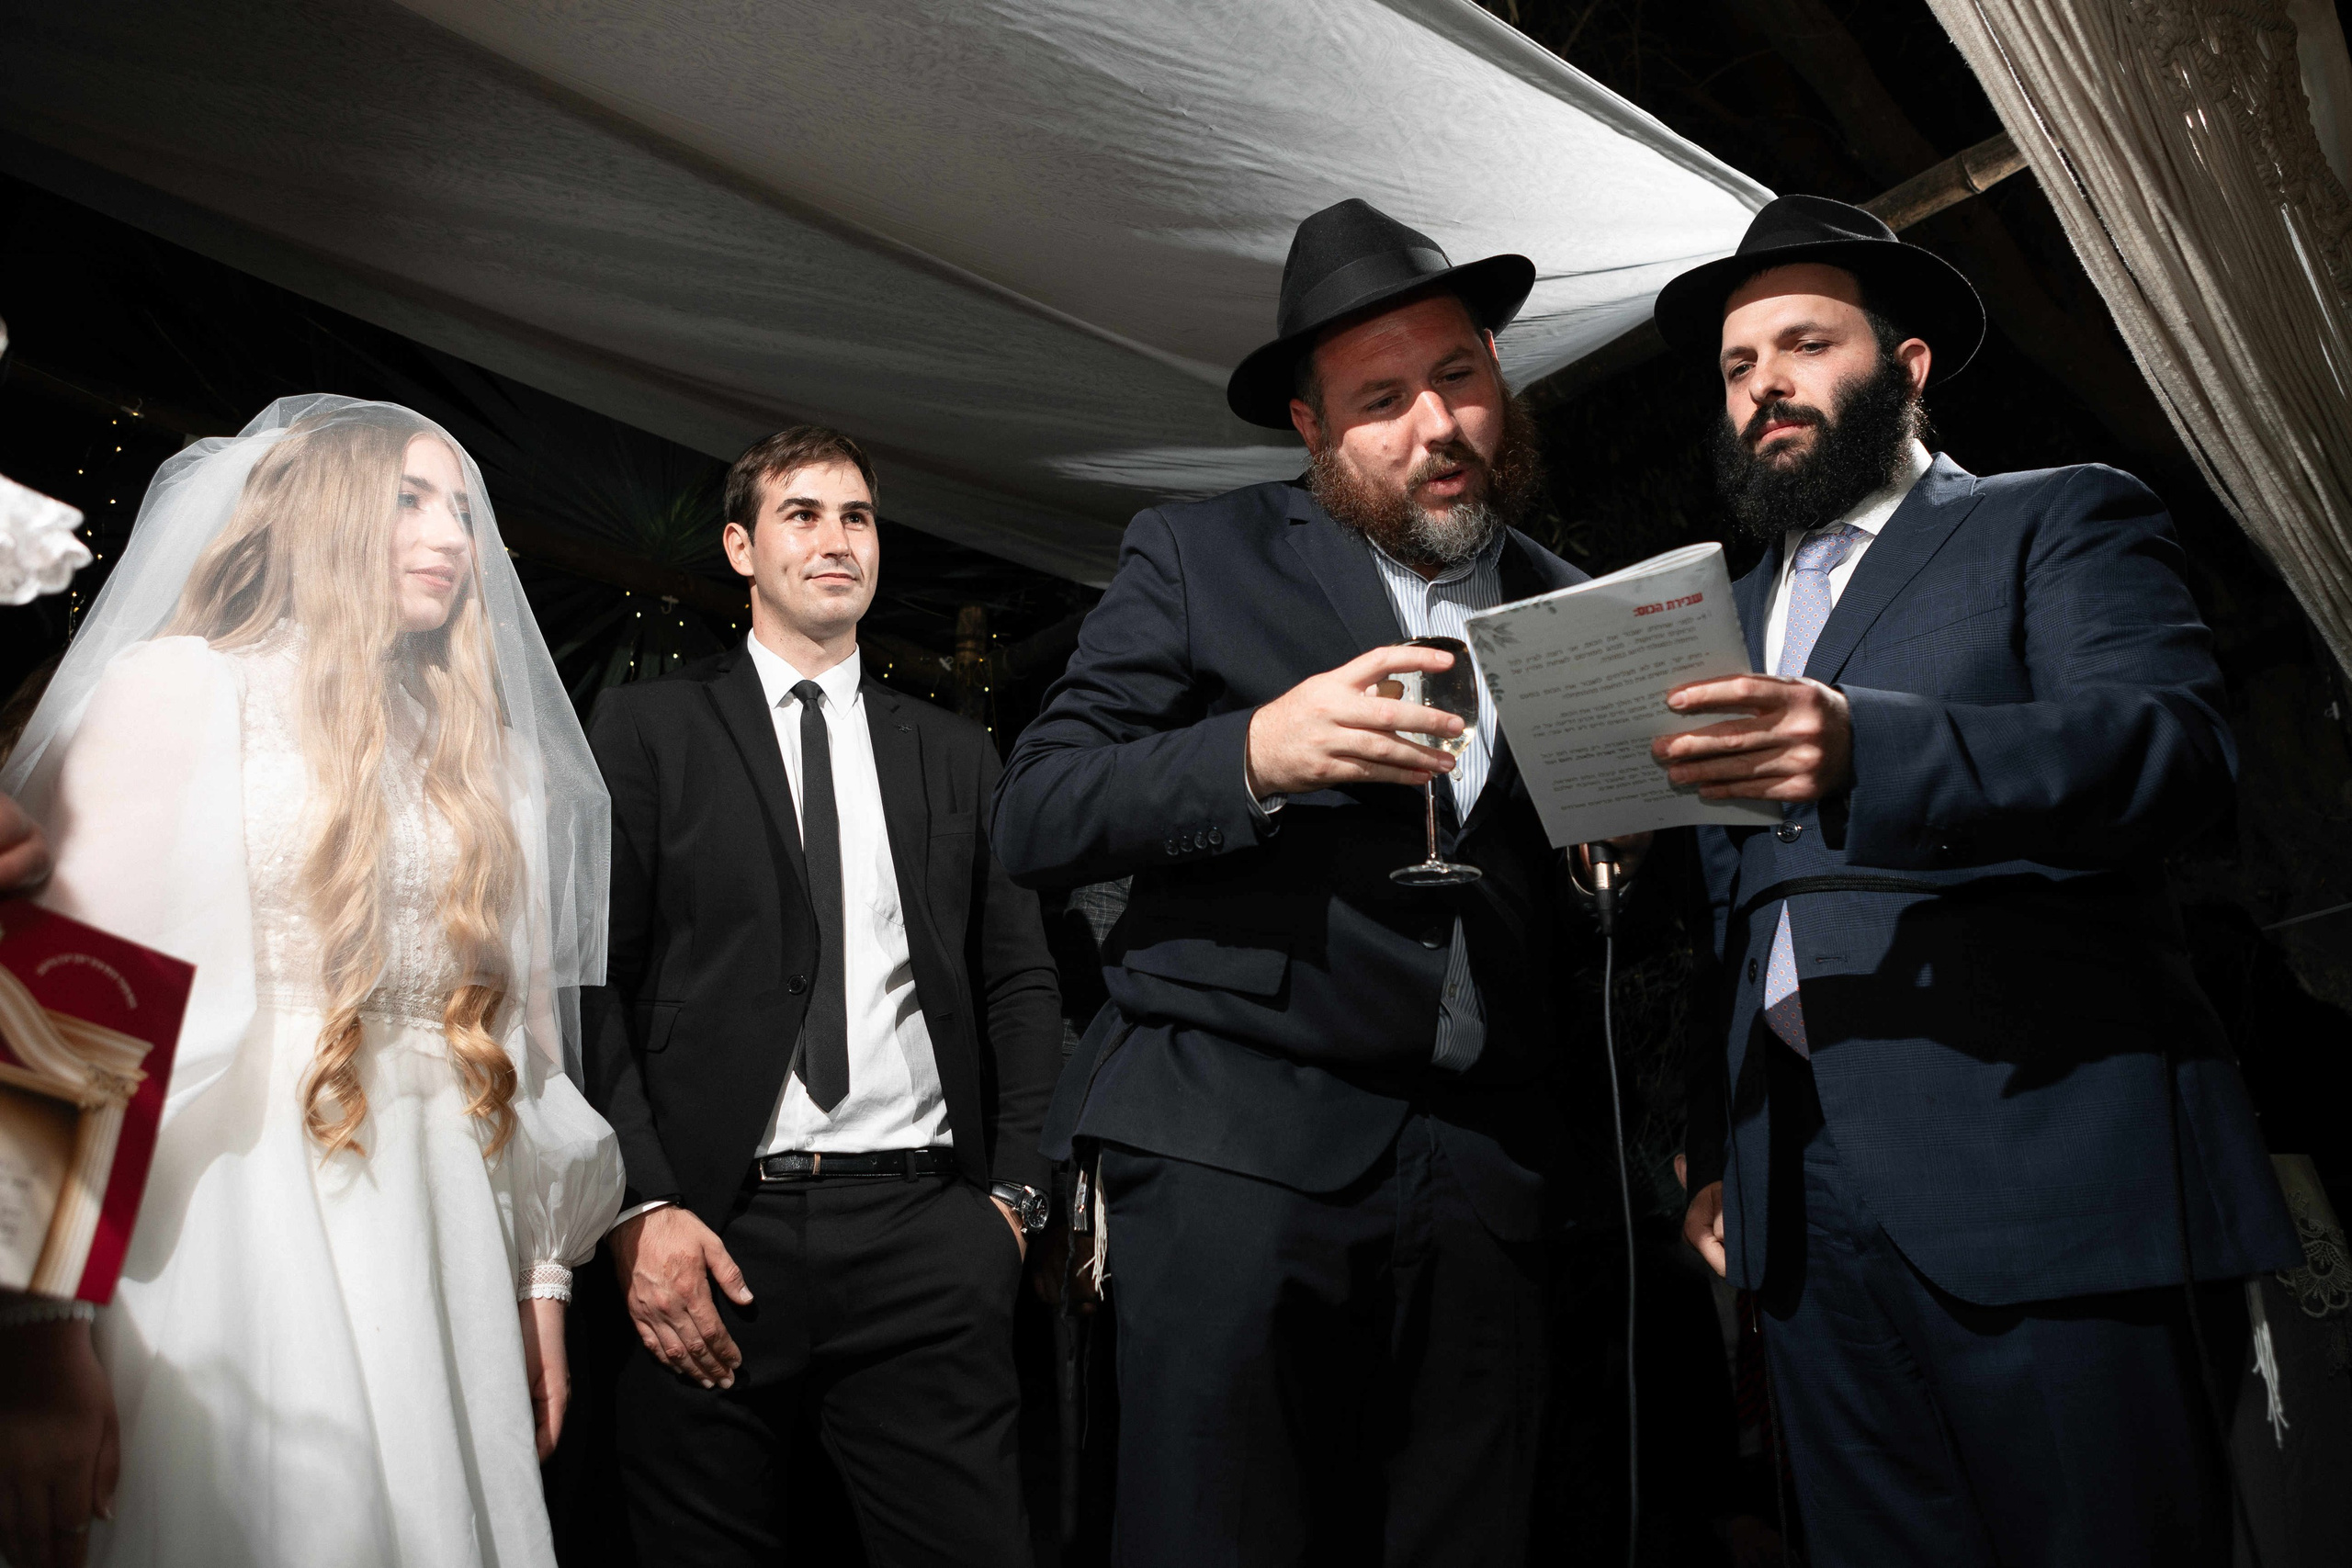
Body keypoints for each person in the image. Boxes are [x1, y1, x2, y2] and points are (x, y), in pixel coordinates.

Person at [1652, 196, 2301, 1568]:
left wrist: (1868, 741)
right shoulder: (1712, 615)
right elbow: (1733, 912)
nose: (1764, 381)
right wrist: (1720, 1140)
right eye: (1735, 364)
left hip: (2040, 1153)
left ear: (1907, 363)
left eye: (1804, 343)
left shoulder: (2052, 517)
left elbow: (2169, 750)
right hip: (1804, 1209)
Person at [994, 198, 1633, 1566]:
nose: (1435, 423)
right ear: (1312, 431)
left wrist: (1621, 850)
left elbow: (1617, 896)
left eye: (1458, 376)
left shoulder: (1576, 604)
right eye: (1381, 398)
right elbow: (1036, 807)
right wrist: (1253, 752)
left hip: (1487, 1173)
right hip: (1238, 1151)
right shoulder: (1199, 554)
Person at [0, 395, 624, 1568]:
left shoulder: (471, 760)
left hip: (443, 1245)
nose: (453, 536)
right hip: (242, 1224)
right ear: (319, 512)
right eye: (409, 498)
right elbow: (68, 1010)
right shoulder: (183, 689)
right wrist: (32, 1331)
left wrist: (541, 1280)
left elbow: (523, 1042)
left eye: (461, 507)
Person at [582, 424, 1061, 1566]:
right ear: (742, 548)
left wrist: (1012, 1207)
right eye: (803, 515)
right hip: (714, 1237)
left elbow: (1021, 978)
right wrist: (638, 1211)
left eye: (857, 517)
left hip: (925, 1236)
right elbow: (591, 983)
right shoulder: (649, 731)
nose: (837, 539)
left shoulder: (955, 751)